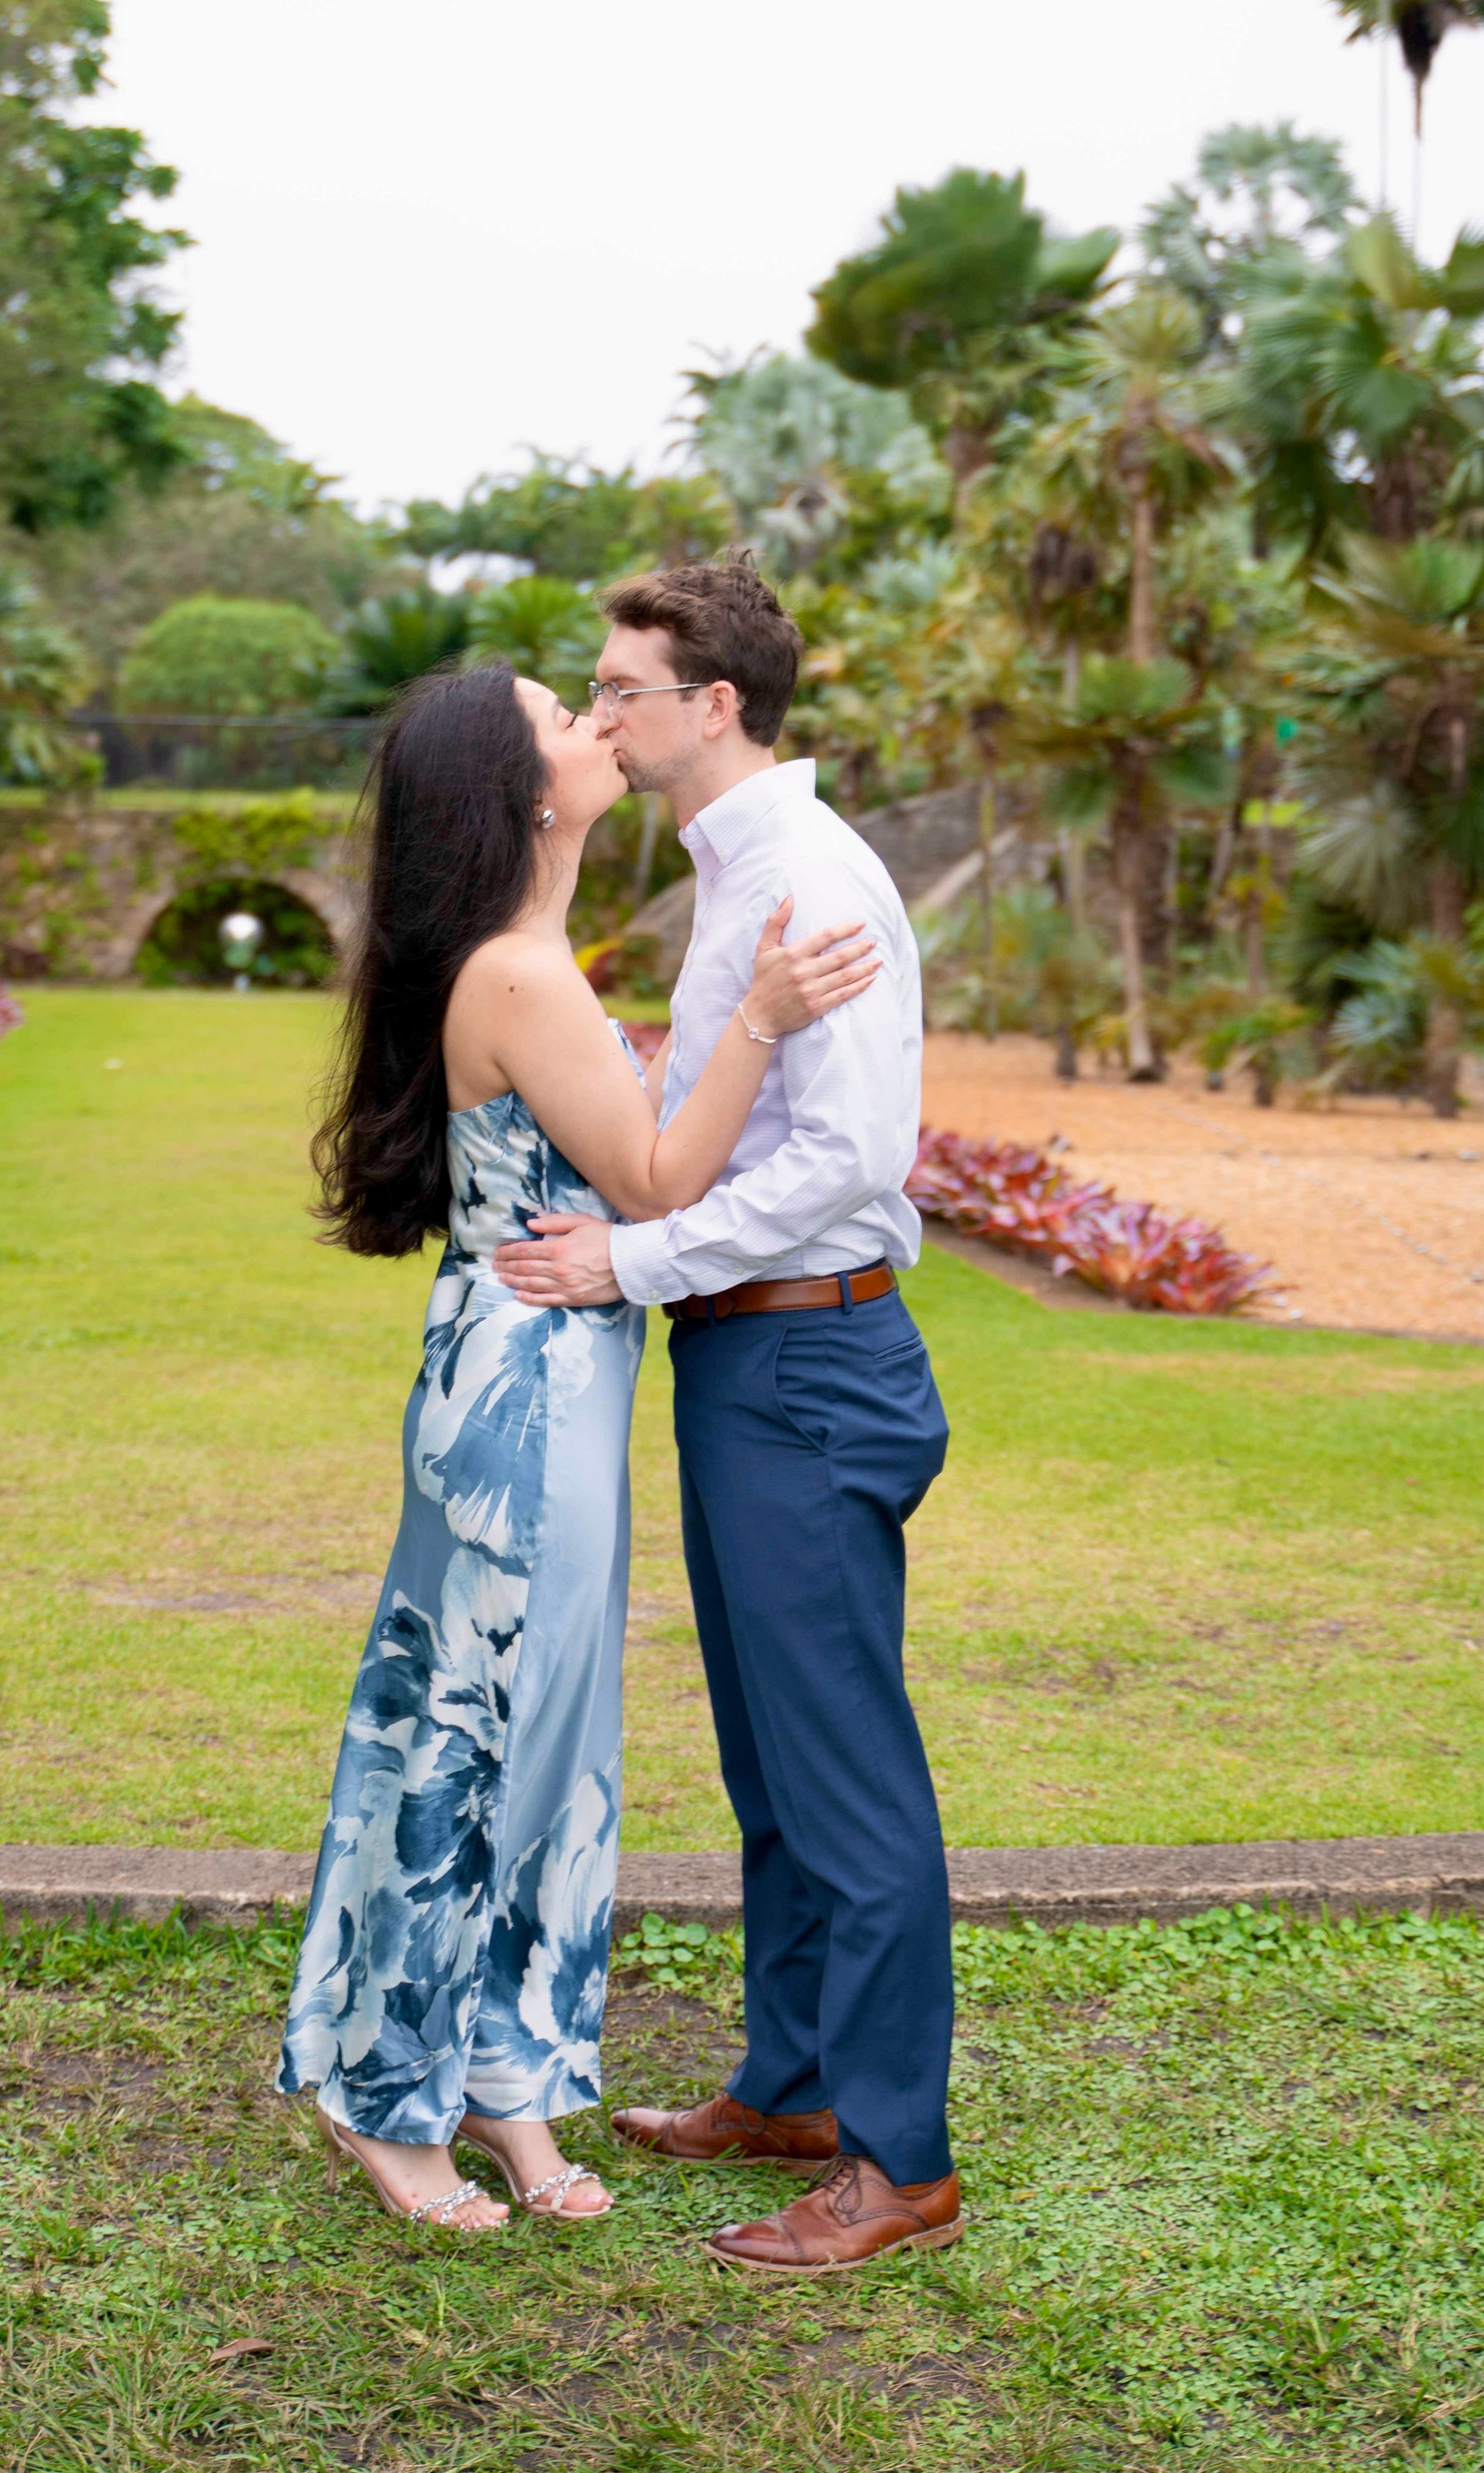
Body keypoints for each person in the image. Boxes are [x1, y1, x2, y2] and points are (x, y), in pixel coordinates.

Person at [277, 658, 881, 2233]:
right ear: (524, 790)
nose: (597, 729)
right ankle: (384, 2101)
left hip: (560, 1368)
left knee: (550, 1744)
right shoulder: (521, 976)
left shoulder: (532, 954)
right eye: (565, 718)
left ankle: (508, 2079)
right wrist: (759, 1010)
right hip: (526, 1389)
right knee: (472, 1740)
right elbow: (666, 1180)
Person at [494, 556, 963, 2280]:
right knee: (773, 1756)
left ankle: (896, 2156)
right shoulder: (743, 868)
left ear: (711, 707)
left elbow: (845, 1162)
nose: (600, 711)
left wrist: (629, 1256)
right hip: (750, 1359)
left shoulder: (807, 880)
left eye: (619, 686)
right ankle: (791, 2084)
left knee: (845, 1771)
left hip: (811, 1361)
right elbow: (738, 1118)